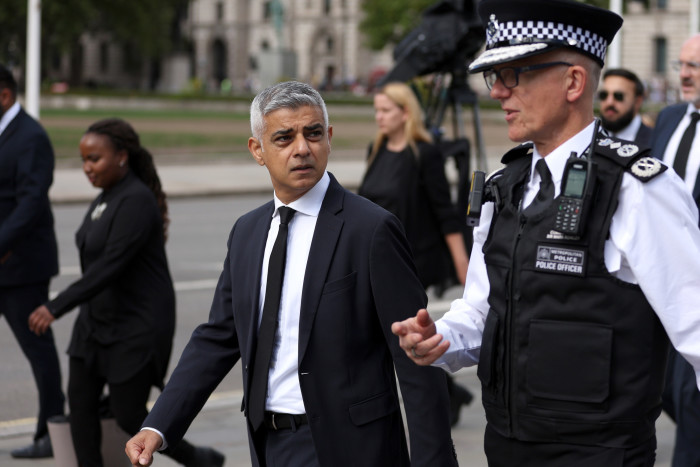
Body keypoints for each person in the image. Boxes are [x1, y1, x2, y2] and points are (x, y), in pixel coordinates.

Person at [392, 0, 700, 465]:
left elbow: (695, 326)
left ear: (573, 82)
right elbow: (481, 309)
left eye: (515, 74)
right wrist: (441, 338)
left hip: (598, 454)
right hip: (506, 447)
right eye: (495, 77)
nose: (498, 92)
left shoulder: (637, 189)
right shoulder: (504, 187)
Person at [125, 81, 457, 467]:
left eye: (313, 133)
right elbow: (218, 337)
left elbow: (416, 356)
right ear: (257, 151)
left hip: (353, 449)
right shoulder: (247, 233)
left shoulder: (371, 229)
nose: (302, 148)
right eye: (283, 138)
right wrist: (158, 426)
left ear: (329, 138)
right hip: (268, 445)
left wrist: (433, 461)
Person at [27, 119, 224, 467]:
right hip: (96, 323)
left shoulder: (137, 201)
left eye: (95, 159)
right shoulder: (105, 197)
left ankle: (197, 458)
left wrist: (55, 306)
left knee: (130, 416)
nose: (87, 168)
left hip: (134, 326)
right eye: (84, 159)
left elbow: (109, 266)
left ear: (121, 157)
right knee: (82, 411)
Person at [358, 81, 472, 425]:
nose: (379, 117)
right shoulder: (375, 149)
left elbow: (444, 212)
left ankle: (440, 398)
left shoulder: (425, 153)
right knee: (396, 338)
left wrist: (463, 265)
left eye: (386, 110)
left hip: (411, 261)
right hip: (374, 258)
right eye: (376, 110)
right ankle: (451, 393)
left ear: (405, 113)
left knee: (407, 337)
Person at [0, 63, 65, 459]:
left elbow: (30, 201)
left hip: (21, 267)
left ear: (4, 95)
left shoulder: (30, 137)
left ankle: (50, 433)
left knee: (39, 353)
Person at [650, 33, 700, 467]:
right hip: (657, 279)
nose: (683, 74)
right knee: (664, 386)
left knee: (689, 395)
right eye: (681, 64)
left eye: (695, 66)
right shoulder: (668, 118)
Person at [599, 68, 652, 145]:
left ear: (637, 101)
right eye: (604, 95)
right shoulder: (591, 138)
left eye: (618, 96)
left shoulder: (654, 141)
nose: (609, 102)